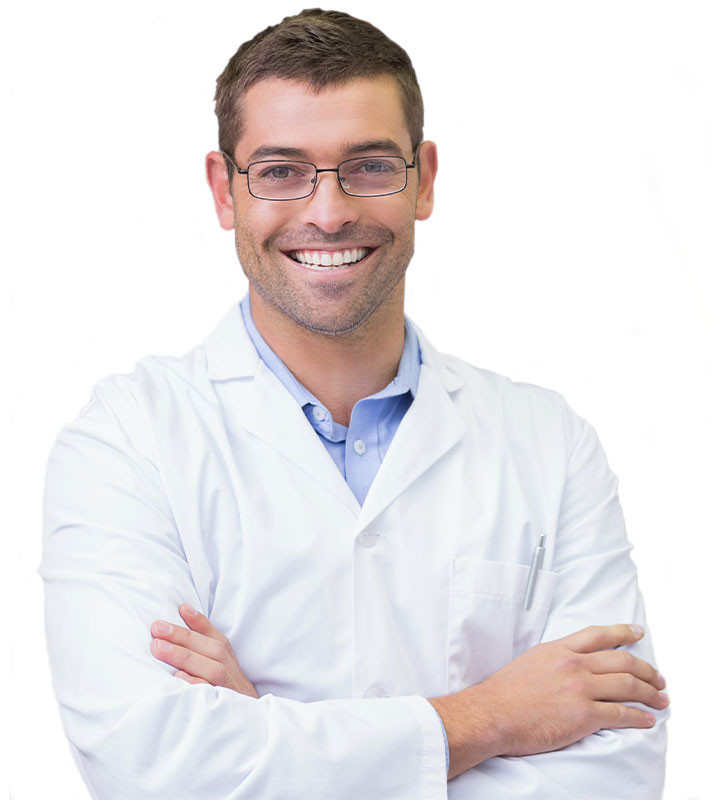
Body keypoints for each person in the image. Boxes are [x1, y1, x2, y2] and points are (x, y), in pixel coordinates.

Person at [40, 8, 669, 799]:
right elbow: (153, 766)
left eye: (370, 166)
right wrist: (495, 716)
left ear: (425, 178)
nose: (328, 211)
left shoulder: (550, 444)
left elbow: (616, 772)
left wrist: (264, 730)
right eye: (280, 171)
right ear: (223, 190)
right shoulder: (126, 443)